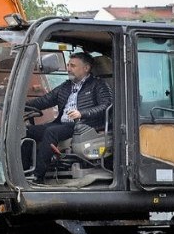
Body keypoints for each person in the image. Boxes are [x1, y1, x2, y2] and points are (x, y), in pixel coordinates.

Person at [23, 52, 113, 184]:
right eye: (68, 65)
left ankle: (38, 176)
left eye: (73, 65)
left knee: (51, 132)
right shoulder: (66, 86)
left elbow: (107, 105)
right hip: (63, 124)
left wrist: (82, 113)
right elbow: (44, 101)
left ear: (86, 68)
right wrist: (20, 105)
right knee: (27, 132)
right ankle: (24, 172)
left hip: (84, 125)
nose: (68, 68)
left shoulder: (98, 85)